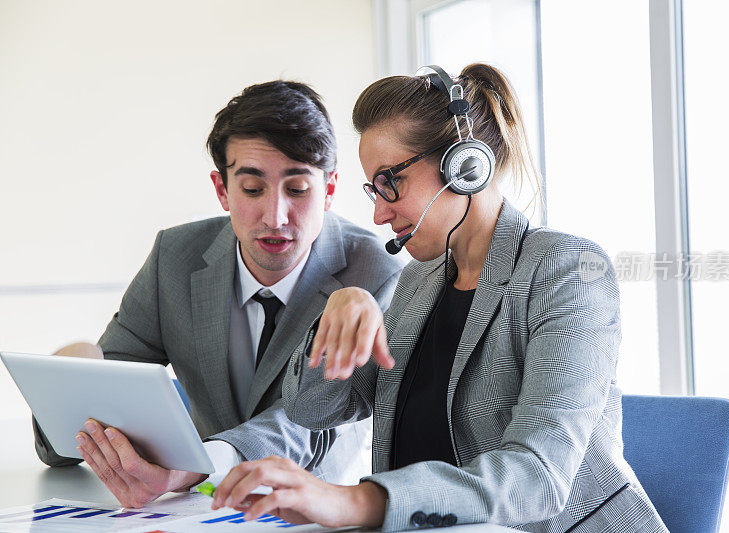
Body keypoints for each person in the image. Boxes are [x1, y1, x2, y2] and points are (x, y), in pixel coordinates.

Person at [210, 64, 668, 532]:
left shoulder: (568, 270)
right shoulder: (417, 281)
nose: (379, 212)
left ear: (465, 166)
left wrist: (356, 502)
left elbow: (538, 478)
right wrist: (338, 310)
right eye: (374, 188)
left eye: (392, 181)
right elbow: (315, 410)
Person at [32, 80, 405, 508]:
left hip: (309, 510)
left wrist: (196, 466)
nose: (275, 216)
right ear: (222, 189)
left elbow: (314, 424)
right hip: (191, 508)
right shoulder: (173, 258)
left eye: (298, 189)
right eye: (251, 189)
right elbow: (115, 392)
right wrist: (70, 390)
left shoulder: (377, 276)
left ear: (330, 190)